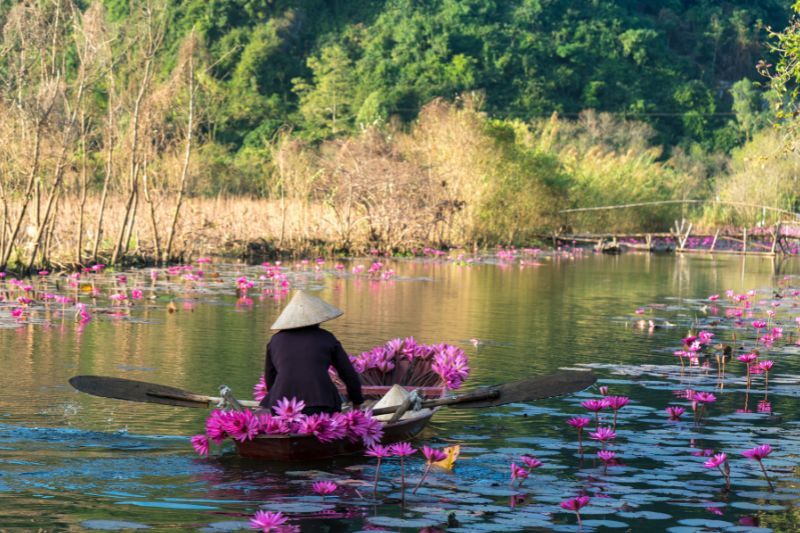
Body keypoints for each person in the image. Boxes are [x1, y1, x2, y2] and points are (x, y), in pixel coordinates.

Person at [259, 291, 364, 415]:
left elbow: (270, 376)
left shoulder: (275, 340)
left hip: (282, 407)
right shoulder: (327, 338)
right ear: (317, 319)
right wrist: (357, 402)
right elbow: (348, 374)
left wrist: (275, 398)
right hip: (322, 404)